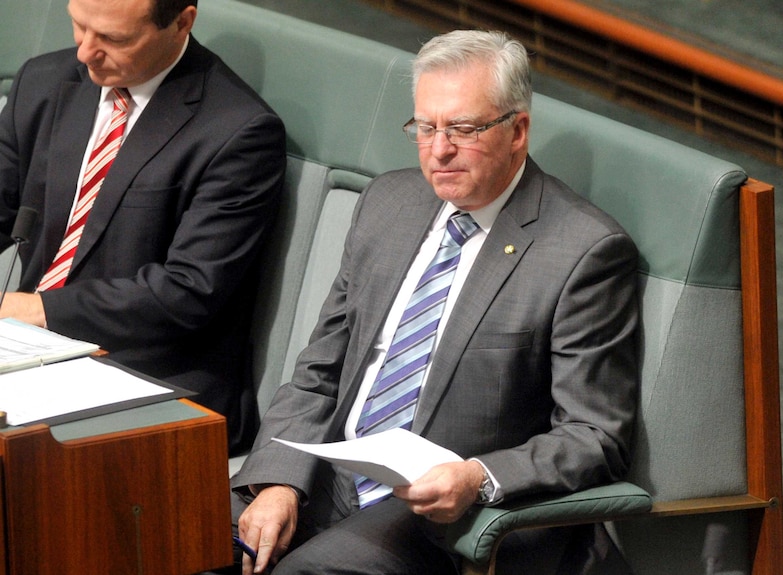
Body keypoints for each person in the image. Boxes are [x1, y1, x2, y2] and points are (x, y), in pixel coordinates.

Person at [227, 30, 638, 575]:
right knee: (172, 535)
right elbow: (320, 369)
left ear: (518, 130)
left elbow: (595, 435)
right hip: (332, 472)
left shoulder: (582, 251)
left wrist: (478, 476)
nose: (439, 149)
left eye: (463, 129)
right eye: (426, 127)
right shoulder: (388, 203)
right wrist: (280, 479)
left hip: (442, 512)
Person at [0, 0, 286, 455]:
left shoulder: (239, 130)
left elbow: (188, 291)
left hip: (149, 374)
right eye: (78, 25)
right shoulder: (44, 81)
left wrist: (37, 311)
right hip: (29, 351)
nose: (84, 52)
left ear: (182, 23)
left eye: (113, 39)